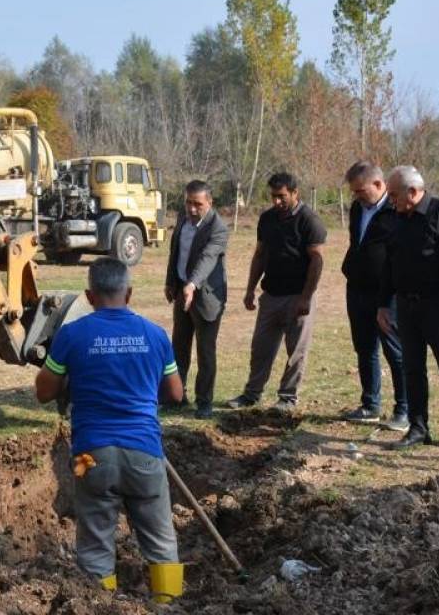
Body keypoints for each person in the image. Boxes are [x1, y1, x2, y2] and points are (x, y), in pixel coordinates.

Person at [35, 257, 186, 603]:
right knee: (161, 542)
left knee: (94, 540)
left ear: (89, 296)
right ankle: (167, 606)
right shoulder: (155, 335)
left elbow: (44, 392)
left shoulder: (72, 335)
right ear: (129, 293)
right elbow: (175, 393)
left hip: (91, 455)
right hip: (145, 452)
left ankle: (100, 607)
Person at [378, 166, 439, 452]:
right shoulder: (394, 219)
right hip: (406, 307)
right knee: (412, 369)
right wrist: (384, 303)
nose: (390, 199)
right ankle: (419, 428)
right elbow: (389, 265)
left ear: (412, 191)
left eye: (394, 194)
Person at [229, 172, 326, 413]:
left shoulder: (309, 220)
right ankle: (252, 394)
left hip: (298, 296)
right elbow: (260, 254)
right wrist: (250, 289)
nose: (277, 202)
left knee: (296, 351)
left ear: (295, 193)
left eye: (282, 197)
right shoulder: (267, 219)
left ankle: (287, 397)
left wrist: (306, 296)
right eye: (273, 196)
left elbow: (317, 260)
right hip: (271, 295)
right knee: (260, 348)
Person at [339, 162, 409, 431]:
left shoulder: (397, 210)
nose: (356, 196)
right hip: (357, 288)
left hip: (386, 293)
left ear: (379, 185)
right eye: (354, 192)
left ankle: (404, 410)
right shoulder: (357, 208)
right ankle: (370, 404)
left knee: (395, 351)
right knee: (365, 347)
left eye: (360, 190)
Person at [165, 180, 229, 419]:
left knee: (205, 351)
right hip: (182, 292)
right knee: (178, 348)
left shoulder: (218, 229)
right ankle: (177, 398)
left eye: (198, 204)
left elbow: (208, 258)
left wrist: (192, 285)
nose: (192, 209)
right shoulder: (183, 218)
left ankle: (204, 402)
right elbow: (175, 252)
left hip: (206, 298)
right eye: (188, 202)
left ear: (209, 202)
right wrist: (171, 281)